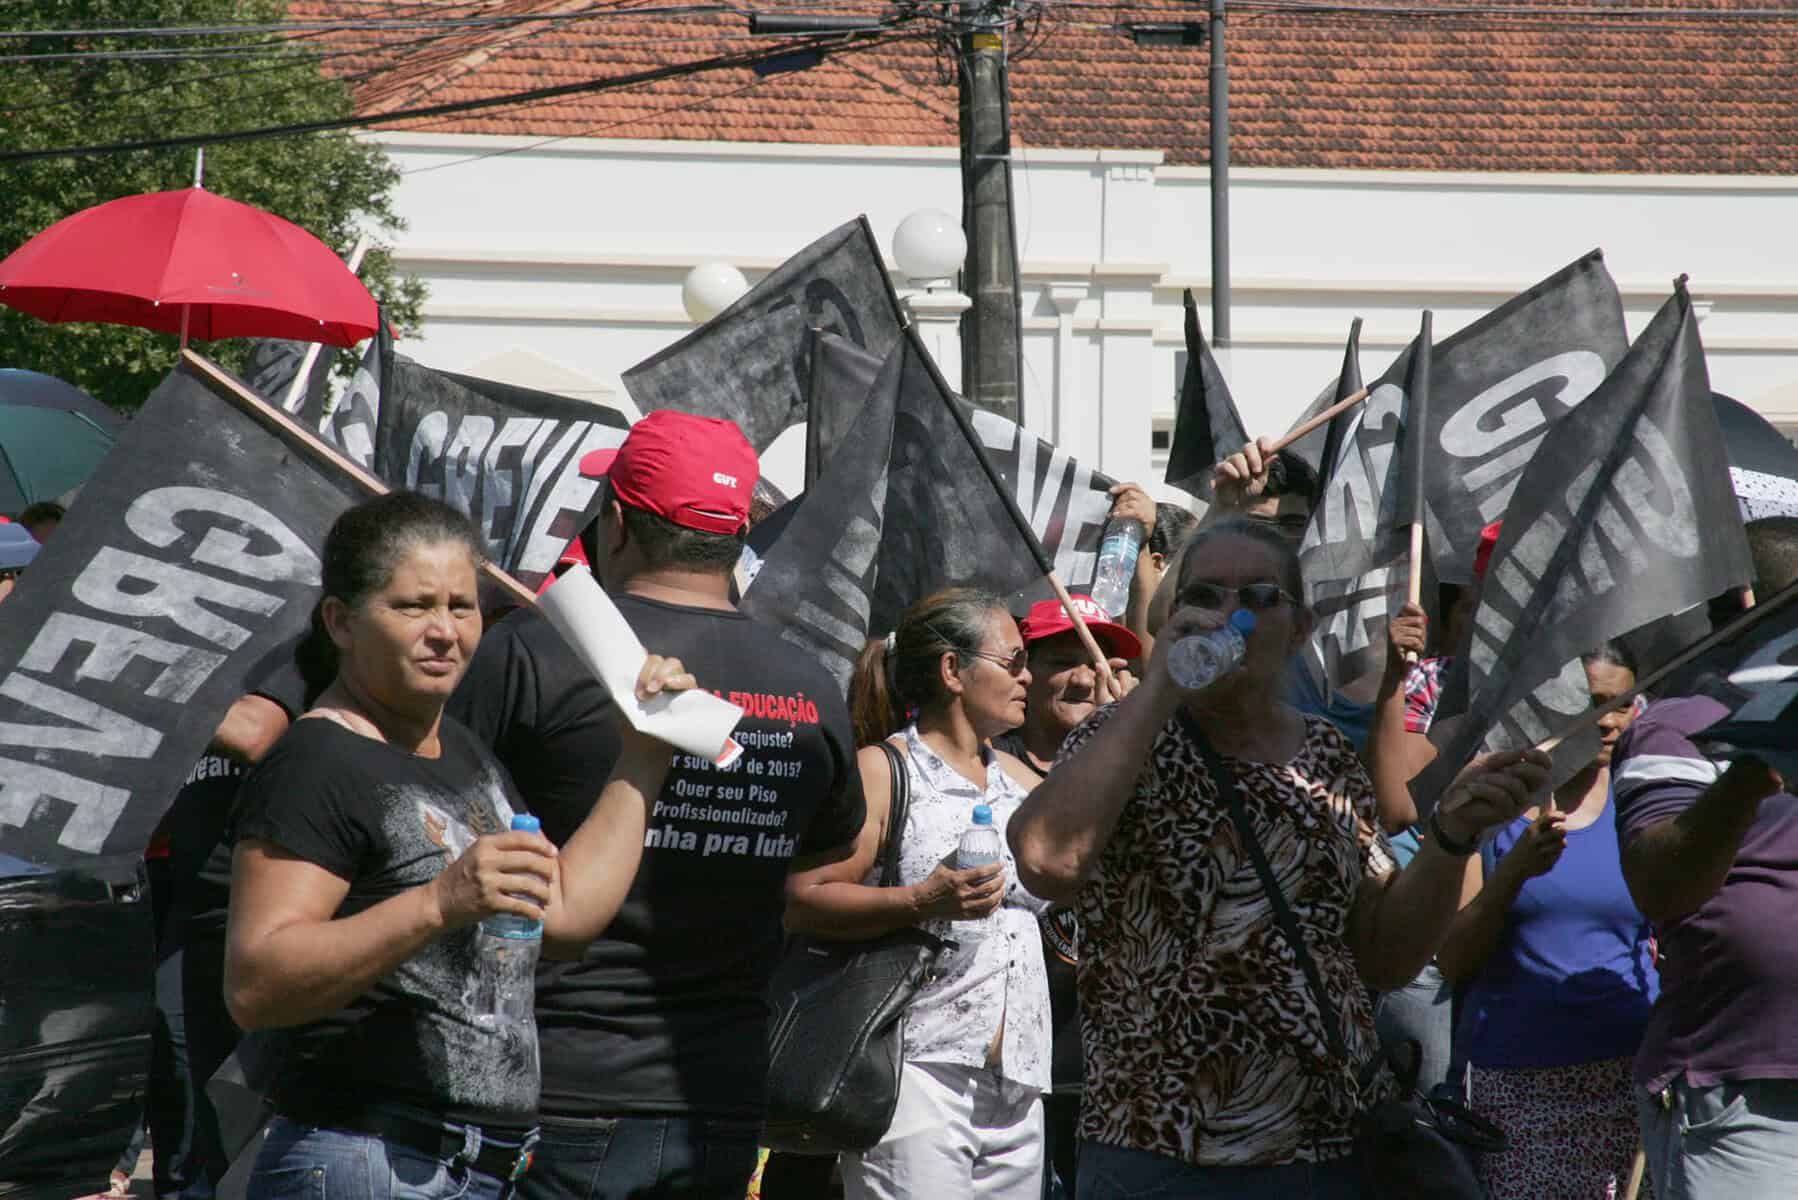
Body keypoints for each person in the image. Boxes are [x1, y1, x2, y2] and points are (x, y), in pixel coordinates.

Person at [1007, 518, 1551, 1195]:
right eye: (1204, 595)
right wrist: (1159, 690)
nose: (1228, 614)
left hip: (1322, 1149)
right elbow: (1046, 861)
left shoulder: (1325, 754)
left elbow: (1385, 956)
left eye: (1260, 597)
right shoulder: (1118, 738)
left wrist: (1450, 838)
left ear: (1299, 631)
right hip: (1158, 1151)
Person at [448, 410, 866, 1200]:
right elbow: (829, 850)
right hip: (721, 1095)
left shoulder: (531, 650)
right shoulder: (810, 684)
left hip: (550, 1078)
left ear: (617, 523)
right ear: (736, 533)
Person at [224, 492, 689, 1200]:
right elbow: (256, 985)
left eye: (462, 607)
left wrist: (645, 752)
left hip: (476, 1168)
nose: (444, 631)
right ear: (341, 621)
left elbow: (563, 915)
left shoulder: (464, 749)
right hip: (370, 1161)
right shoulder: (317, 760)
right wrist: (439, 903)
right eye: (414, 607)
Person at [790, 588, 1051, 1200]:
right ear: (953, 670)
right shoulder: (884, 771)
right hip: (915, 1073)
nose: (1028, 677)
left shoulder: (1024, 783)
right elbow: (803, 898)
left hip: (1020, 1079)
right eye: (1013, 660)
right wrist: (921, 901)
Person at [1611, 516, 1798, 1200]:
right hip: (1745, 1101)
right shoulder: (1680, 724)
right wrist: (1756, 764)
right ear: (1751, 605)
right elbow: (1659, 883)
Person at [1436, 643, 1657, 1200]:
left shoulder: (1647, 801)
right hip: (1521, 1088)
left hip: (1633, 1081)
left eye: (1622, 703)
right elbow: (1454, 960)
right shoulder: (1496, 805)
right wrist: (1514, 873)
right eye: (1592, 702)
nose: (1607, 720)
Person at [991, 595, 1141, 1200]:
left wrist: (1127, 736)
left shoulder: (1146, 767)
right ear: (1023, 672)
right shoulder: (983, 765)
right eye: (1062, 661)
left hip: (1114, 1071)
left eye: (1098, 661)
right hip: (1004, 1073)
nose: (1084, 679)